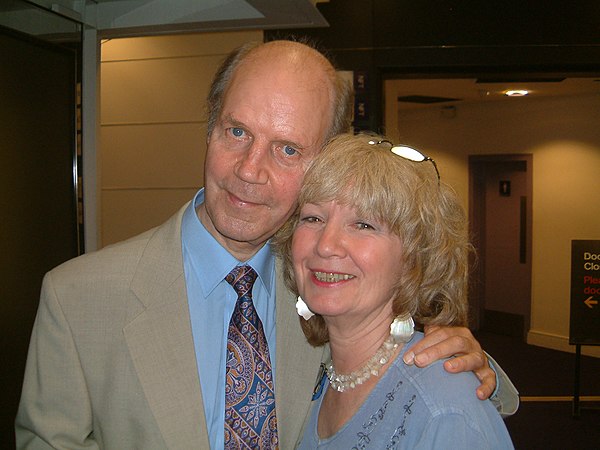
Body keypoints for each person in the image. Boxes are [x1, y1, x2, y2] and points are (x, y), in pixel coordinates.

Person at [15, 40, 516, 449]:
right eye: (237, 131)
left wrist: (466, 359)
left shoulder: (327, 286)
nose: (250, 170)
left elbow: (401, 383)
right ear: (210, 128)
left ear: (326, 161)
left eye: (288, 149)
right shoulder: (77, 298)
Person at [274, 133, 515, 448]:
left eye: (363, 225)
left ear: (414, 257)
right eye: (313, 218)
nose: (326, 244)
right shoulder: (314, 375)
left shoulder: (445, 412)